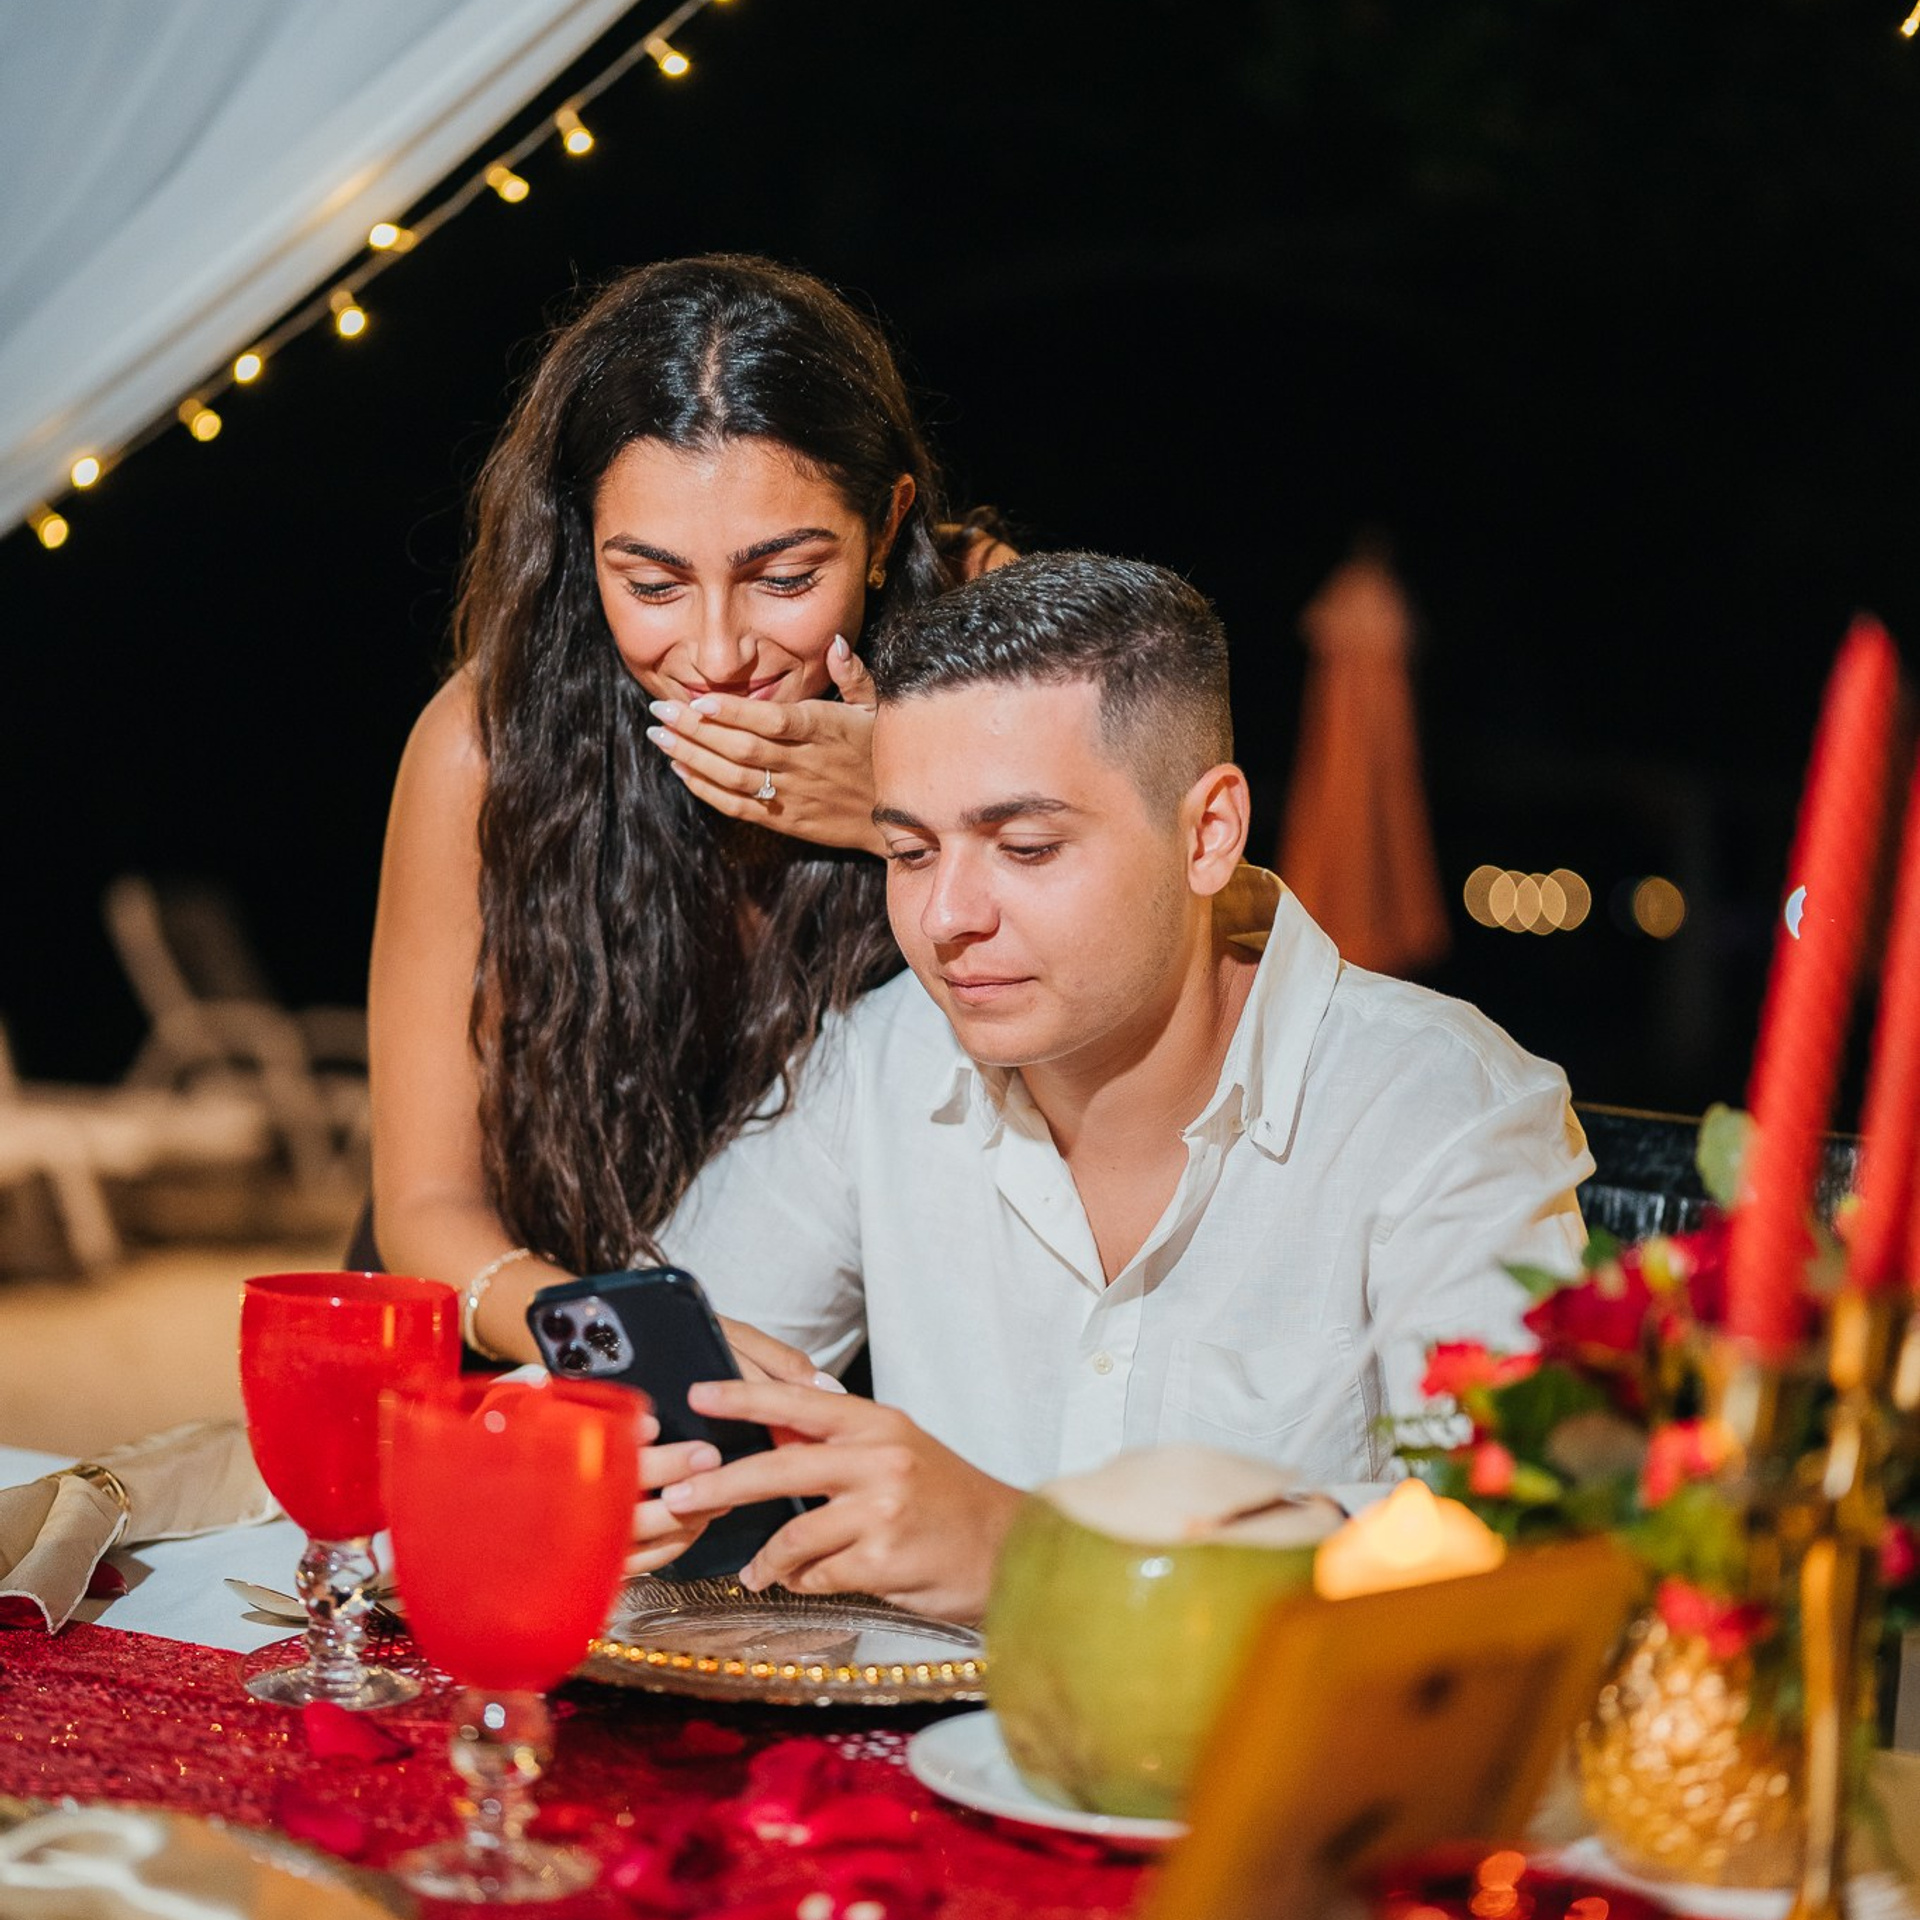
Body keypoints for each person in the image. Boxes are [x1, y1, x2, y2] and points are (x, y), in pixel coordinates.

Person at [642, 552, 1594, 1621]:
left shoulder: (1435, 1102)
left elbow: (1532, 1534)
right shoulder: (885, 1057)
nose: (948, 916)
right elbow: (655, 1370)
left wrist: (1037, 1553)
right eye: (910, 853)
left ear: (1207, 834)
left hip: (1267, 1777)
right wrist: (638, 1456)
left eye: (1027, 847)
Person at [366, 254, 1010, 1413]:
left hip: (858, 1399)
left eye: (784, 576)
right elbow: (423, 1209)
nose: (716, 655)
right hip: (533, 1361)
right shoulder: (487, 747)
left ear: (887, 521)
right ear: (583, 546)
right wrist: (623, 1337)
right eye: (653, 585)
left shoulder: (990, 655)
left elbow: (1180, 946)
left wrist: (907, 807)